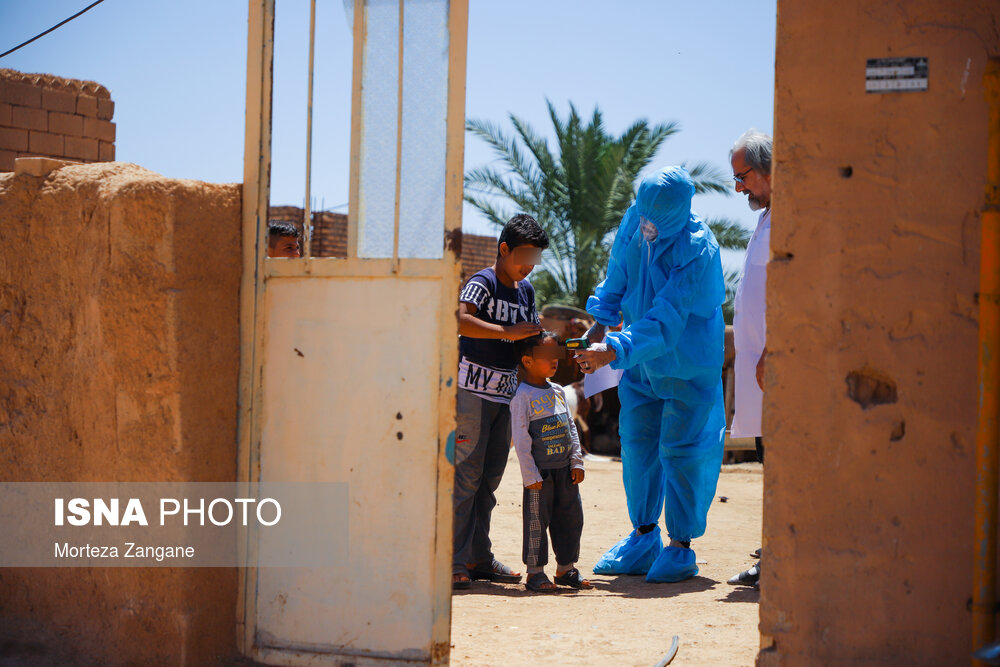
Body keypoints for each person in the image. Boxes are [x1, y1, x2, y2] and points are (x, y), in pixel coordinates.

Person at [575, 166, 726, 583]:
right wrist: (601, 320)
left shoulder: (699, 249)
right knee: (638, 443)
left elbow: (667, 318)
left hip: (687, 361)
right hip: (641, 359)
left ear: (679, 215)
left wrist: (613, 349)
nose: (647, 226)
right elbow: (619, 269)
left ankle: (680, 548)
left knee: (683, 451)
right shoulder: (636, 220)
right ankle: (643, 536)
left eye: (656, 221)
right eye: (643, 216)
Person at [452, 214, 548, 589]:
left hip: (506, 399)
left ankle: (479, 558)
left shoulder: (526, 292)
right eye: (524, 257)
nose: (528, 266)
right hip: (471, 396)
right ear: (504, 249)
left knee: (488, 483)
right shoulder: (482, 283)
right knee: (466, 481)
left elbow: (525, 337)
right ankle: (454, 562)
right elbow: (461, 321)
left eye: (535, 258)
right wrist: (508, 331)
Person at [726, 130, 772, 589]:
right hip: (760, 373)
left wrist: (776, 351)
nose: (739, 188)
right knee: (768, 459)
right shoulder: (767, 217)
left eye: (743, 177)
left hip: (778, 370)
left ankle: (780, 557)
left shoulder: (791, 218)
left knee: (781, 464)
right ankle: (772, 552)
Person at [510, 331, 591, 593]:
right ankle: (535, 573)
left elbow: (570, 427)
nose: (554, 360)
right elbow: (521, 439)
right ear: (528, 361)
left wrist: (576, 461)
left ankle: (565, 569)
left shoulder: (557, 391)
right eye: (546, 355)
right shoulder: (522, 396)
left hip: (565, 472)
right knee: (537, 522)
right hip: (540, 476)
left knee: (570, 519)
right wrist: (530, 474)